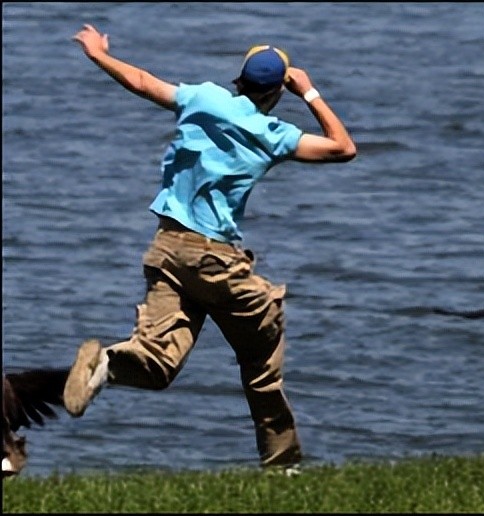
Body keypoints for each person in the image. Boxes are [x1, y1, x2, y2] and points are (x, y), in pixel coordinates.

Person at [62, 23, 357, 474]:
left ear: (238, 81)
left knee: (158, 364)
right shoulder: (272, 133)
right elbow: (343, 147)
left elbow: (141, 81)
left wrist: (99, 54)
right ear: (278, 91)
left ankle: (107, 364)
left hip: (165, 250)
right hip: (214, 258)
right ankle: (282, 467)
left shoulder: (203, 98)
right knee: (262, 359)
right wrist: (310, 92)